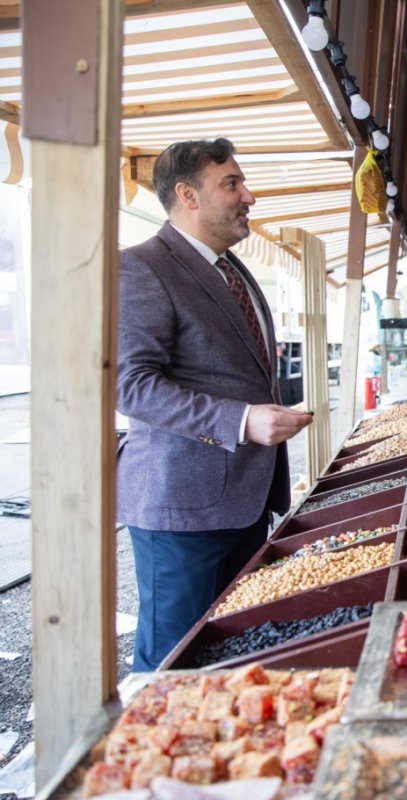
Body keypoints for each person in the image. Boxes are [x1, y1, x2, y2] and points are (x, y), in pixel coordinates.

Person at [116, 138, 314, 670]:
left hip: (245, 502)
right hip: (182, 509)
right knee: (171, 663)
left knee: (229, 655)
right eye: (232, 183)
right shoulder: (141, 268)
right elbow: (130, 385)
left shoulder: (234, 270)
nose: (248, 195)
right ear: (188, 195)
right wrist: (243, 420)